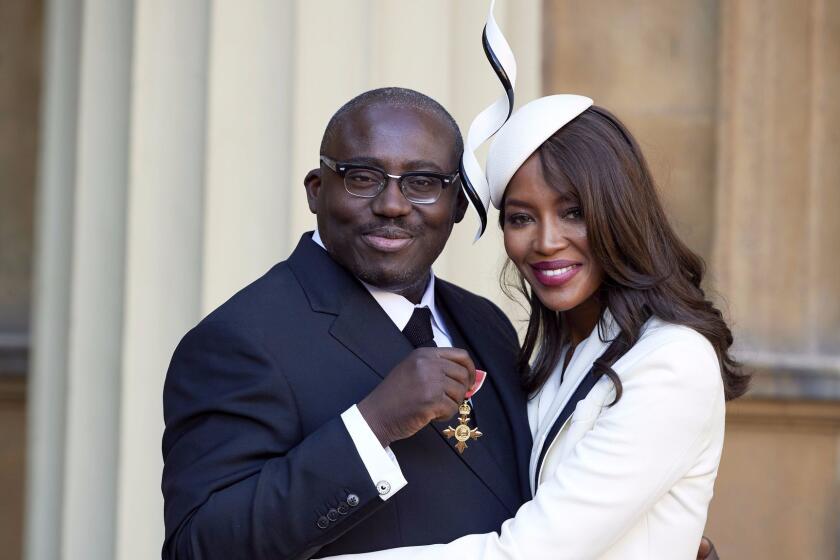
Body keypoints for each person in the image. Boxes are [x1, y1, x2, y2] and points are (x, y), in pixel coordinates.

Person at [321, 94, 747, 560]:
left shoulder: (672, 360)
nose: (546, 242)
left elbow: (527, 552)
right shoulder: (554, 352)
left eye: (573, 212)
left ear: (621, 212)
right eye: (522, 218)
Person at [161, 87, 533, 560]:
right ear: (317, 190)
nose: (393, 205)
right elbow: (199, 548)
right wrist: (371, 426)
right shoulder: (240, 339)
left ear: (458, 205)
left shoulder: (487, 322)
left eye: (422, 182)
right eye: (363, 177)